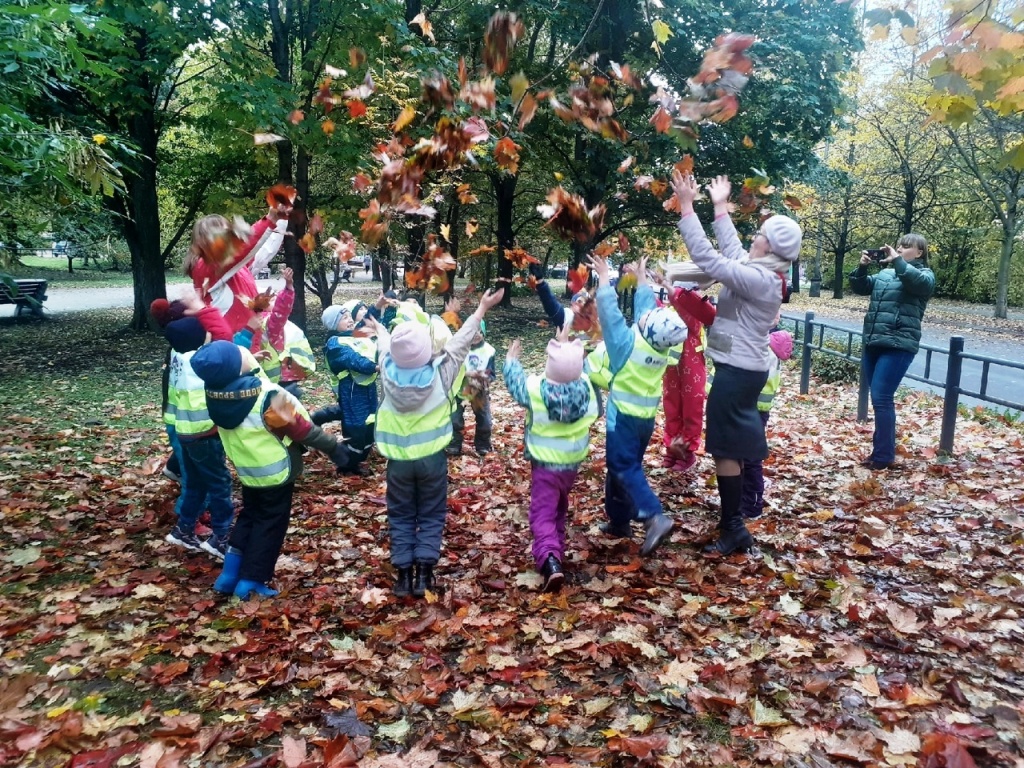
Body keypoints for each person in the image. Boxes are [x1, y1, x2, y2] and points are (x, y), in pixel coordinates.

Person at [671, 170, 802, 555]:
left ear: (770, 245)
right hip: (742, 369)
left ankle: (733, 528)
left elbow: (710, 259)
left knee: (726, 450)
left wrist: (686, 206)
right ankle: (733, 524)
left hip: (738, 373)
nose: (753, 238)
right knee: (730, 447)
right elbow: (730, 253)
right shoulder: (762, 272)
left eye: (760, 235)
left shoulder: (759, 280)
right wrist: (718, 206)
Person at [364, 287, 504, 599]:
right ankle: (424, 573)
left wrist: (381, 329)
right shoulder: (441, 373)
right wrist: (480, 308)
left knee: (400, 513)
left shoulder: (386, 371)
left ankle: (403, 576)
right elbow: (460, 342)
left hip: (397, 462)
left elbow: (387, 347)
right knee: (430, 512)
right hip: (432, 461)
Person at [189, 340, 350, 599]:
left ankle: (229, 575)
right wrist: (334, 447)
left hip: (248, 472)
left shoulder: (215, 393)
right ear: (235, 367)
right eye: (237, 354)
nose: (243, 352)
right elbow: (302, 429)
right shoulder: (267, 396)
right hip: (276, 474)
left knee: (250, 517)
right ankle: (252, 581)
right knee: (270, 526)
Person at [586, 253, 688, 557]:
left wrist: (604, 278)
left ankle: (653, 515)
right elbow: (646, 307)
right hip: (645, 420)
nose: (644, 314)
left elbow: (610, 314)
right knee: (621, 469)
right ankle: (619, 521)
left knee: (622, 466)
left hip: (624, 420)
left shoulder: (625, 346)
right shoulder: (656, 344)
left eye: (646, 318)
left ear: (645, 328)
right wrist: (642, 277)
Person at [503, 331, 599, 591]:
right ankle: (556, 548)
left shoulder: (537, 390)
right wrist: (572, 348)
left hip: (545, 464)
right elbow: (583, 371)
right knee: (558, 506)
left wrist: (512, 360)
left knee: (542, 512)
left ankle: (549, 559)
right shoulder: (587, 387)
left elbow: (517, 386)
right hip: (570, 464)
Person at [155, 292, 237, 558]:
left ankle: (183, 530)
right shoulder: (200, 362)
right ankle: (221, 537)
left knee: (197, 484)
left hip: (186, 432)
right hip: (205, 434)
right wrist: (204, 310)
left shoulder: (179, 356)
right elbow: (225, 338)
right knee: (220, 484)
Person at [849, 235, 934, 470]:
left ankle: (883, 457)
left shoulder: (925, 275)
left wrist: (897, 261)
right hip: (874, 342)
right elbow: (860, 287)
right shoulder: (885, 274)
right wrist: (862, 267)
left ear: (919, 253)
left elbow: (915, 282)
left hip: (898, 345)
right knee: (878, 399)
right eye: (899, 245)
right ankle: (880, 453)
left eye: (906, 246)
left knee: (882, 397)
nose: (899, 249)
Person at [184, 202, 291, 334]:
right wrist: (270, 220)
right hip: (228, 344)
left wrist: (279, 220)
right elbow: (242, 248)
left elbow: (264, 251)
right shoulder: (206, 267)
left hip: (246, 342)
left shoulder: (236, 268)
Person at [312, 300, 379, 476]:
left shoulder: (354, 334)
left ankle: (358, 457)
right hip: (351, 390)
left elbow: (370, 323)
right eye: (344, 318)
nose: (350, 320)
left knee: (370, 423)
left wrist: (378, 306)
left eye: (350, 316)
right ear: (334, 324)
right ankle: (346, 463)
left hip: (368, 388)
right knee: (356, 427)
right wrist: (375, 367)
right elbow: (352, 359)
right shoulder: (335, 343)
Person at [233, 268, 316, 399]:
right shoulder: (269, 322)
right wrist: (288, 288)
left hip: (277, 374)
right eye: (271, 300)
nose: (274, 298)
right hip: (281, 376)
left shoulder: (250, 321)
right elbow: (281, 310)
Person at [660, 282, 716, 472]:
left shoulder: (695, 311)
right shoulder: (672, 308)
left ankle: (687, 452)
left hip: (691, 365)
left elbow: (688, 320)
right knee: (671, 406)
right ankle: (672, 447)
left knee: (691, 407)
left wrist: (674, 294)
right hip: (673, 367)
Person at [739, 326, 793, 519]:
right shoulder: (769, 344)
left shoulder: (764, 348)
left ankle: (752, 504)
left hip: (750, 407)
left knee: (750, 458)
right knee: (744, 456)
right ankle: (745, 499)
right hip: (756, 408)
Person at [447, 319, 495, 457]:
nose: (476, 335)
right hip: (459, 388)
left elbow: (491, 373)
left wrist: (486, 378)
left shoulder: (489, 350)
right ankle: (454, 444)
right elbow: (453, 368)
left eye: (479, 331)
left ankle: (483, 445)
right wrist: (467, 374)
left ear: (483, 333)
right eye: (473, 332)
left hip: (479, 390)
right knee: (454, 418)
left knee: (484, 419)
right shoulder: (460, 349)